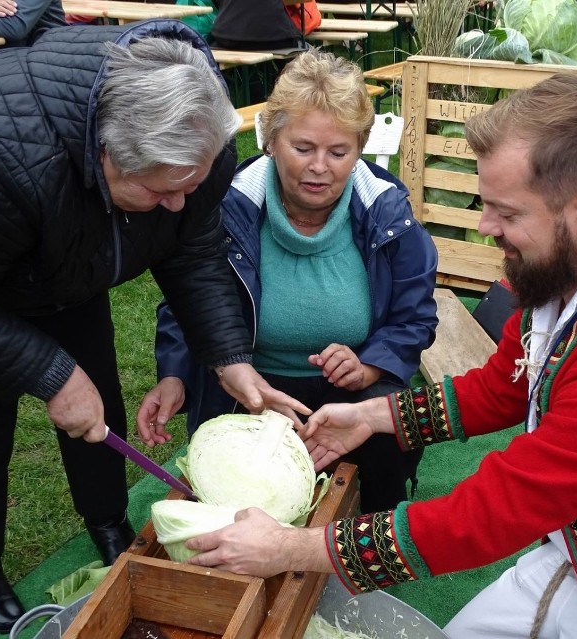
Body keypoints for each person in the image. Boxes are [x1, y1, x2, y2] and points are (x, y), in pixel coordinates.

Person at [182, 74, 577, 638]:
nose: (485, 226)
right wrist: (370, 416)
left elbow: (494, 512)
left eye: (506, 212)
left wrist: (289, 547)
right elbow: (503, 387)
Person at [0, 19, 307, 634]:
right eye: (160, 191)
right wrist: (51, 376)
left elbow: (190, 248)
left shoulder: (198, 139)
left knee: (99, 399)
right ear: (106, 155)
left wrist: (228, 356)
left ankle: (108, 520)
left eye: (187, 187)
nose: (176, 204)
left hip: (60, 251)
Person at [139, 49, 439, 515]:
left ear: (359, 148)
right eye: (303, 148)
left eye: (338, 152)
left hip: (347, 392)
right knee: (235, 495)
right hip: (249, 389)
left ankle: (372, 526)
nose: (320, 166)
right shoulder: (229, 206)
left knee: (388, 418)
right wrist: (174, 374)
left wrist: (368, 366)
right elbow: (188, 299)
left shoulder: (387, 213)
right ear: (271, 140)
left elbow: (415, 317)